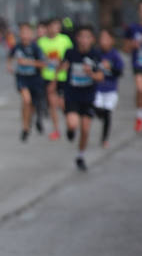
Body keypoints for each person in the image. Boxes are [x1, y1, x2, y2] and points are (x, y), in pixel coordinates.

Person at [60, 24, 102, 171]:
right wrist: (61, 68)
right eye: (81, 37)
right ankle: (70, 130)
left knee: (85, 129)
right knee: (73, 125)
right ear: (77, 38)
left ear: (92, 39)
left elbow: (101, 76)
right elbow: (60, 68)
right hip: (72, 95)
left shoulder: (95, 55)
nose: (84, 40)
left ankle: (80, 156)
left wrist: (90, 73)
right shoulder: (70, 53)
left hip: (88, 96)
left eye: (87, 37)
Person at [7, 22, 46, 142]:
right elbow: (10, 57)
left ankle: (31, 122)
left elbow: (43, 64)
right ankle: (25, 127)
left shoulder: (36, 48)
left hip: (34, 79)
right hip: (22, 78)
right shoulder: (17, 47)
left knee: (32, 105)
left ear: (31, 34)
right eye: (22, 32)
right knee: (26, 100)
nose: (24, 35)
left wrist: (28, 62)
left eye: (27, 32)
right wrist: (9, 66)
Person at [37, 17, 72, 140]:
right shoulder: (41, 42)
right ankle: (56, 129)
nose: (55, 29)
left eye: (57, 26)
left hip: (62, 77)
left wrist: (60, 72)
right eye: (52, 26)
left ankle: (70, 124)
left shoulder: (65, 40)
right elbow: (39, 61)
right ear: (47, 28)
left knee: (62, 104)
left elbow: (69, 59)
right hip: (47, 76)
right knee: (52, 104)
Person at [93, 28, 124, 148]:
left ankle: (104, 139)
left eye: (106, 38)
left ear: (112, 40)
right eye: (101, 38)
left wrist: (110, 68)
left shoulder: (115, 55)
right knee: (96, 108)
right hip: (98, 89)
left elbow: (119, 72)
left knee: (107, 114)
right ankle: (101, 115)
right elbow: (92, 68)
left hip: (111, 90)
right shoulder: (96, 53)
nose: (103, 41)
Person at [124, 2, 142, 132]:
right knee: (140, 89)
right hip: (138, 64)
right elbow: (125, 49)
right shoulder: (132, 29)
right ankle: (139, 116)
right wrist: (132, 45)